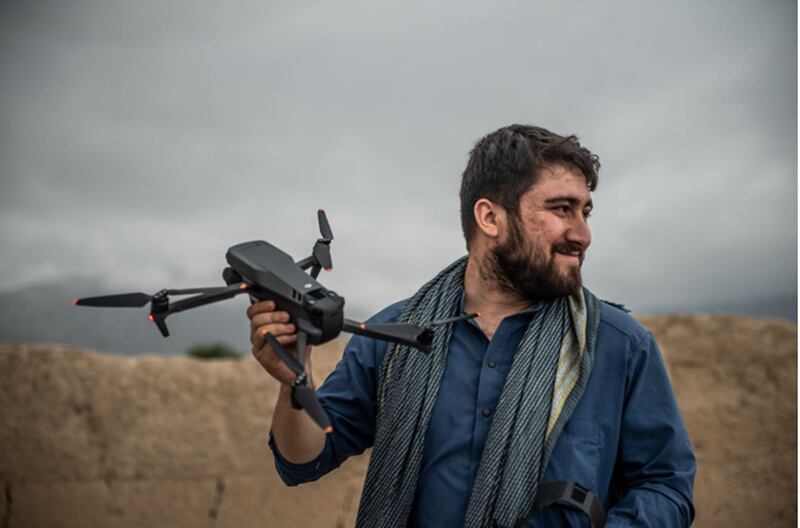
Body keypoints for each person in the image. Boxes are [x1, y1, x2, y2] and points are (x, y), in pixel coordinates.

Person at [247, 124, 696, 527]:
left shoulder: (619, 346)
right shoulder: (394, 334)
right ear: (490, 218)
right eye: (562, 209)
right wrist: (293, 382)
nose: (582, 233)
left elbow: (666, 488)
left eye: (585, 212)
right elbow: (303, 460)